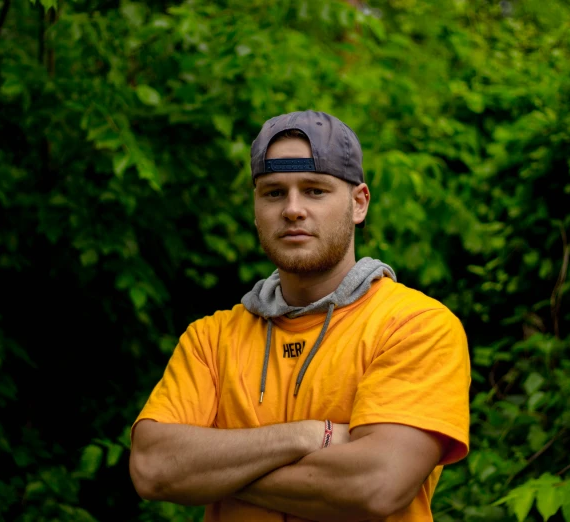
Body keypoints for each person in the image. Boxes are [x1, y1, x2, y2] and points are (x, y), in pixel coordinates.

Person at [129, 110, 471, 521]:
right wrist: (311, 436)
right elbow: (153, 468)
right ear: (256, 207)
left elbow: (376, 485)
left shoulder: (415, 326)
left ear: (358, 203)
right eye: (273, 193)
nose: (292, 209)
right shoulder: (211, 338)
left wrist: (216, 471)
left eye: (314, 191)